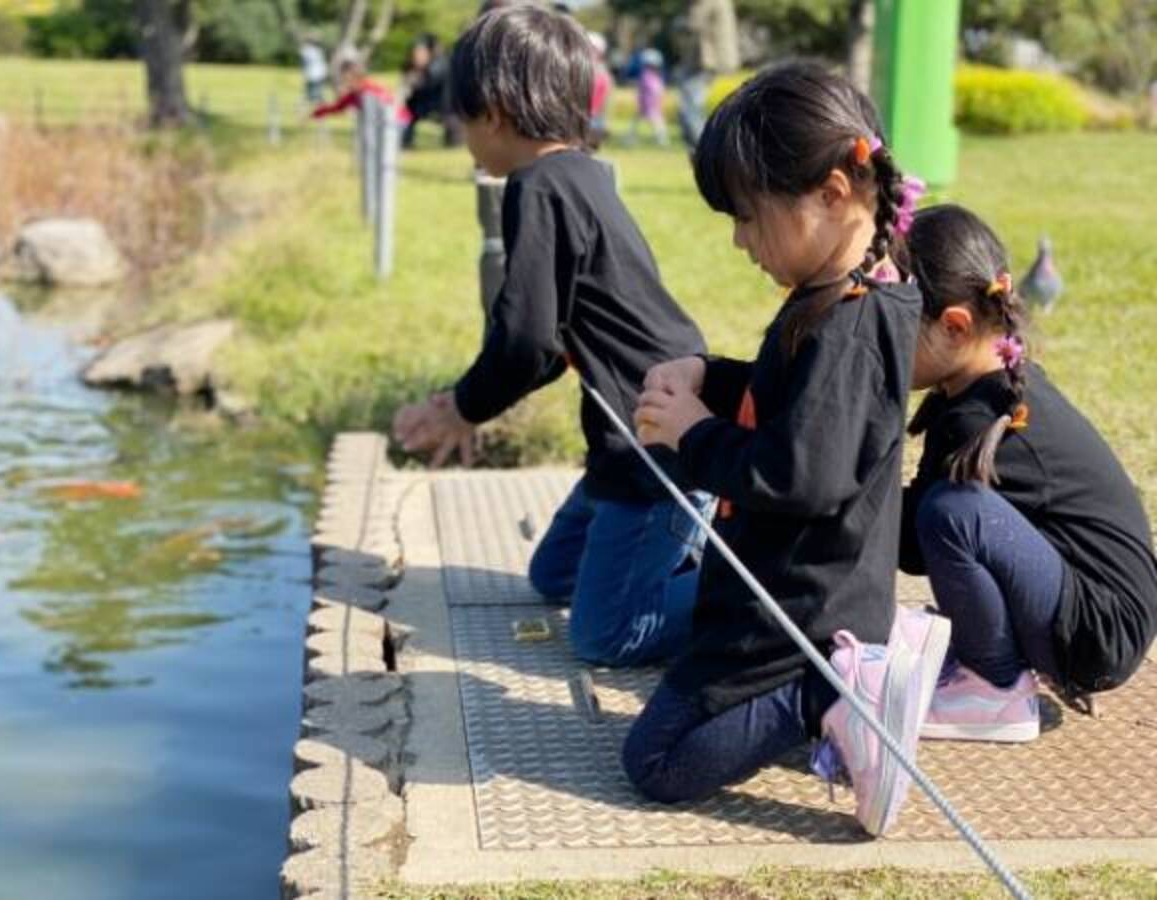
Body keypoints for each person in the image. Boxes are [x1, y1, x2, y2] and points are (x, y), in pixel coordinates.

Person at [622, 61, 946, 837]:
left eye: (747, 216)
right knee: (677, 697)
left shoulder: (850, 324)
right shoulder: (851, 291)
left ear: (833, 194)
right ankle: (846, 680)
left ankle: (835, 696)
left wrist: (693, 432)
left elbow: (797, 472)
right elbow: (796, 402)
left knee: (658, 759)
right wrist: (709, 374)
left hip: (798, 614)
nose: (739, 240)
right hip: (801, 592)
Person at [393, 5, 709, 668]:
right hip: (638, 434)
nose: (463, 136)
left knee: (606, 635)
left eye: (464, 119)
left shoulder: (535, 187)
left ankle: (760, 595)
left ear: (499, 112)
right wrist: (467, 398)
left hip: (651, 449)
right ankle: (691, 536)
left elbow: (524, 340)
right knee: (551, 578)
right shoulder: (583, 173)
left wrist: (460, 409)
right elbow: (549, 348)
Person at [898, 204, 1157, 742]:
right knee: (950, 511)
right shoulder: (989, 385)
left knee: (953, 513)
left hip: (1099, 631)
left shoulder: (982, 416)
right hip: (1093, 606)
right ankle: (998, 662)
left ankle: (991, 689)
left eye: (896, 324)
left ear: (954, 326)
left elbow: (913, 543)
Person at [674, 0, 740, 150]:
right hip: (714, 59)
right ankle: (703, 148)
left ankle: (703, 149)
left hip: (706, 60)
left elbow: (693, 23)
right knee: (693, 107)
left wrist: (677, 23)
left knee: (689, 109)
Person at [310, 56, 411, 127]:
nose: (345, 82)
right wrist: (316, 113)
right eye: (344, 78)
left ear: (357, 76)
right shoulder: (353, 95)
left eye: (347, 78)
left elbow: (390, 106)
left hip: (396, 123)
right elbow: (336, 107)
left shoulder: (371, 89)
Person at [629, 48, 669, 146]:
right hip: (647, 104)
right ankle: (631, 140)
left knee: (656, 124)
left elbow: (655, 91)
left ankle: (662, 141)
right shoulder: (650, 76)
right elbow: (657, 90)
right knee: (641, 123)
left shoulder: (648, 76)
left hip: (650, 105)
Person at [587, 32, 614, 148]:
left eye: (593, 48)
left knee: (593, 145)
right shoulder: (579, 68)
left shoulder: (603, 71)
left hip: (596, 114)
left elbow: (607, 95)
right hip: (582, 113)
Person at [298, 36, 329, 105]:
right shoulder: (318, 50)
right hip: (320, 73)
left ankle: (315, 103)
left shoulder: (306, 50)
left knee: (313, 91)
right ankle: (319, 102)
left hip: (313, 73)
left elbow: (303, 62)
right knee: (317, 91)